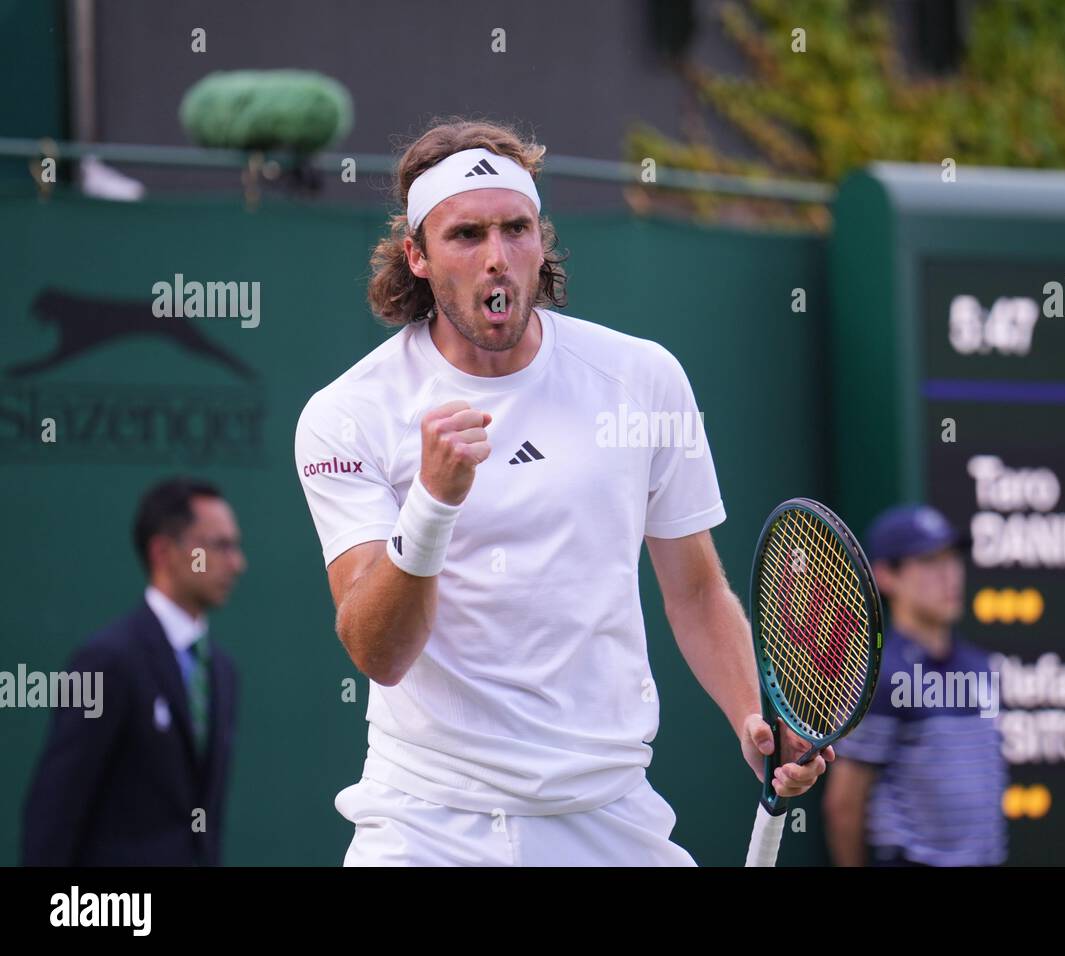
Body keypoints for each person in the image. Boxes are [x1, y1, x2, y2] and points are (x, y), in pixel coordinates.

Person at [294, 117, 829, 866]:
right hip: (427, 828)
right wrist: (433, 504)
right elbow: (378, 652)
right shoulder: (346, 414)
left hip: (608, 816)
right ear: (415, 256)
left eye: (517, 229)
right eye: (466, 236)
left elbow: (696, 589)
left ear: (542, 241)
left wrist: (753, 717)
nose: (498, 258)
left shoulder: (644, 378)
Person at [23, 477, 245, 865]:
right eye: (219, 546)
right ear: (163, 551)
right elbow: (54, 814)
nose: (237, 563)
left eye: (235, 546)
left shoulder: (222, 673)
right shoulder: (106, 662)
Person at [823, 504, 1007, 866]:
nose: (950, 575)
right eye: (929, 562)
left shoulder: (982, 667)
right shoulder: (878, 676)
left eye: (952, 559)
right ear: (887, 576)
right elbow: (843, 805)